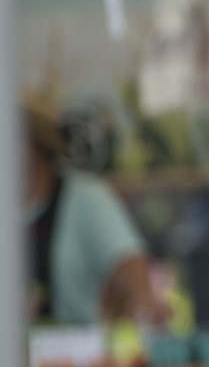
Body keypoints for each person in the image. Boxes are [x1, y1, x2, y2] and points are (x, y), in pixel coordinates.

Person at [22, 100, 165, 326]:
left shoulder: (85, 198)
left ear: (36, 145)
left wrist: (143, 300)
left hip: (76, 353)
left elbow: (129, 264)